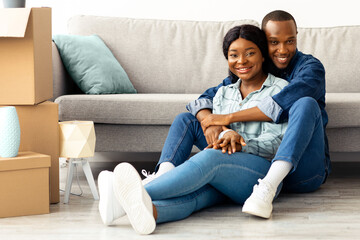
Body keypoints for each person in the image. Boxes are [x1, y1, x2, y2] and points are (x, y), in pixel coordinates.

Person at [98, 24, 289, 235]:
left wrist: (239, 142)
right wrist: (223, 132)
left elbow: (279, 143)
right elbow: (211, 125)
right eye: (234, 55)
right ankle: (152, 212)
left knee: (211, 157)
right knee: (199, 191)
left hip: (258, 175)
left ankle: (126, 195)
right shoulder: (224, 93)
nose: (241, 61)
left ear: (263, 56)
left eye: (250, 53)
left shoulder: (280, 89)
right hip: (225, 176)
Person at [144, 10, 330, 197]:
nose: (282, 50)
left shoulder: (310, 68)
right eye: (274, 42)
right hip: (252, 163)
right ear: (263, 44)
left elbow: (278, 106)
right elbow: (204, 100)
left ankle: (269, 185)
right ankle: (161, 176)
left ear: (296, 37)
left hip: (301, 171)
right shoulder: (252, 68)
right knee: (187, 120)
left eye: (289, 41)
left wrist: (226, 118)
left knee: (305, 103)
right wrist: (213, 124)